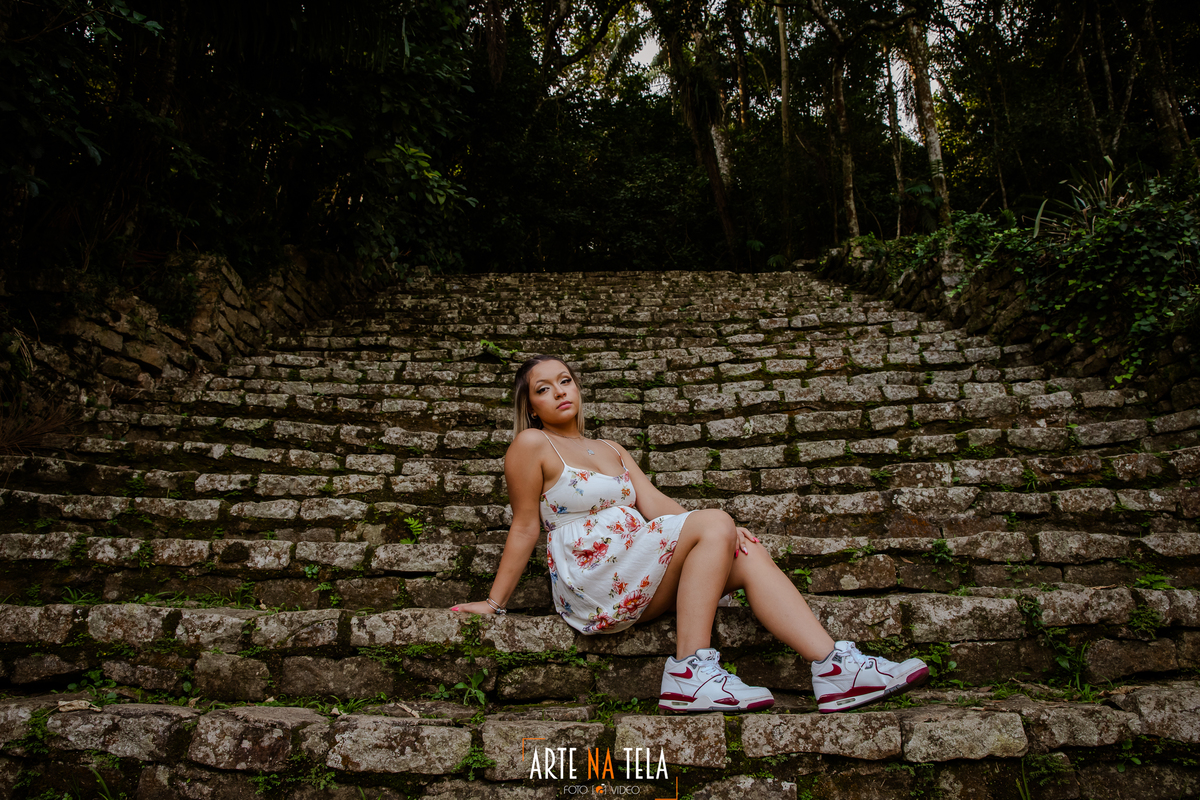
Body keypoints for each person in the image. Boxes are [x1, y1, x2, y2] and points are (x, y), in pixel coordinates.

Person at [452, 355, 928, 713]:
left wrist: (719, 531)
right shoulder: (531, 443)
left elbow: (656, 505)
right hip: (594, 578)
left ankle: (834, 668)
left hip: (637, 567)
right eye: (543, 389)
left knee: (744, 552)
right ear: (531, 407)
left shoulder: (610, 447)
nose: (559, 391)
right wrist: (494, 603)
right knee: (716, 524)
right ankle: (689, 673)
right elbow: (525, 525)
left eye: (565, 380)